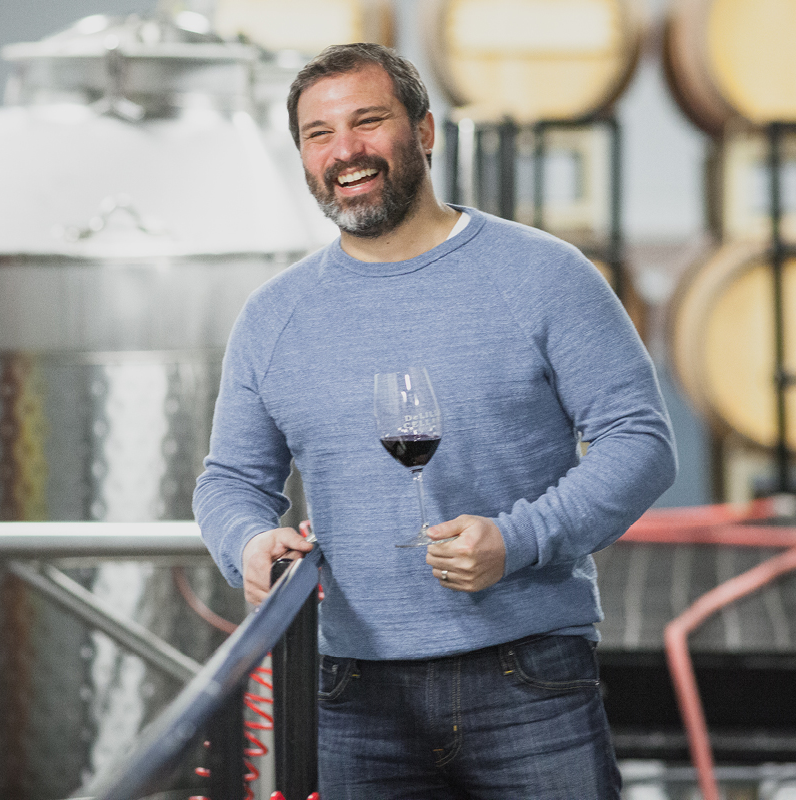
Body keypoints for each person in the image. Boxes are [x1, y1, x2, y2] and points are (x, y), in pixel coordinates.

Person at [194, 42, 677, 799]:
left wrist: (519, 540)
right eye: (319, 134)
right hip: (350, 693)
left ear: (423, 131)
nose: (345, 151)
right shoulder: (274, 315)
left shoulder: (543, 273)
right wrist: (248, 545)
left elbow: (641, 442)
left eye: (368, 121)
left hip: (527, 677)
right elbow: (230, 481)